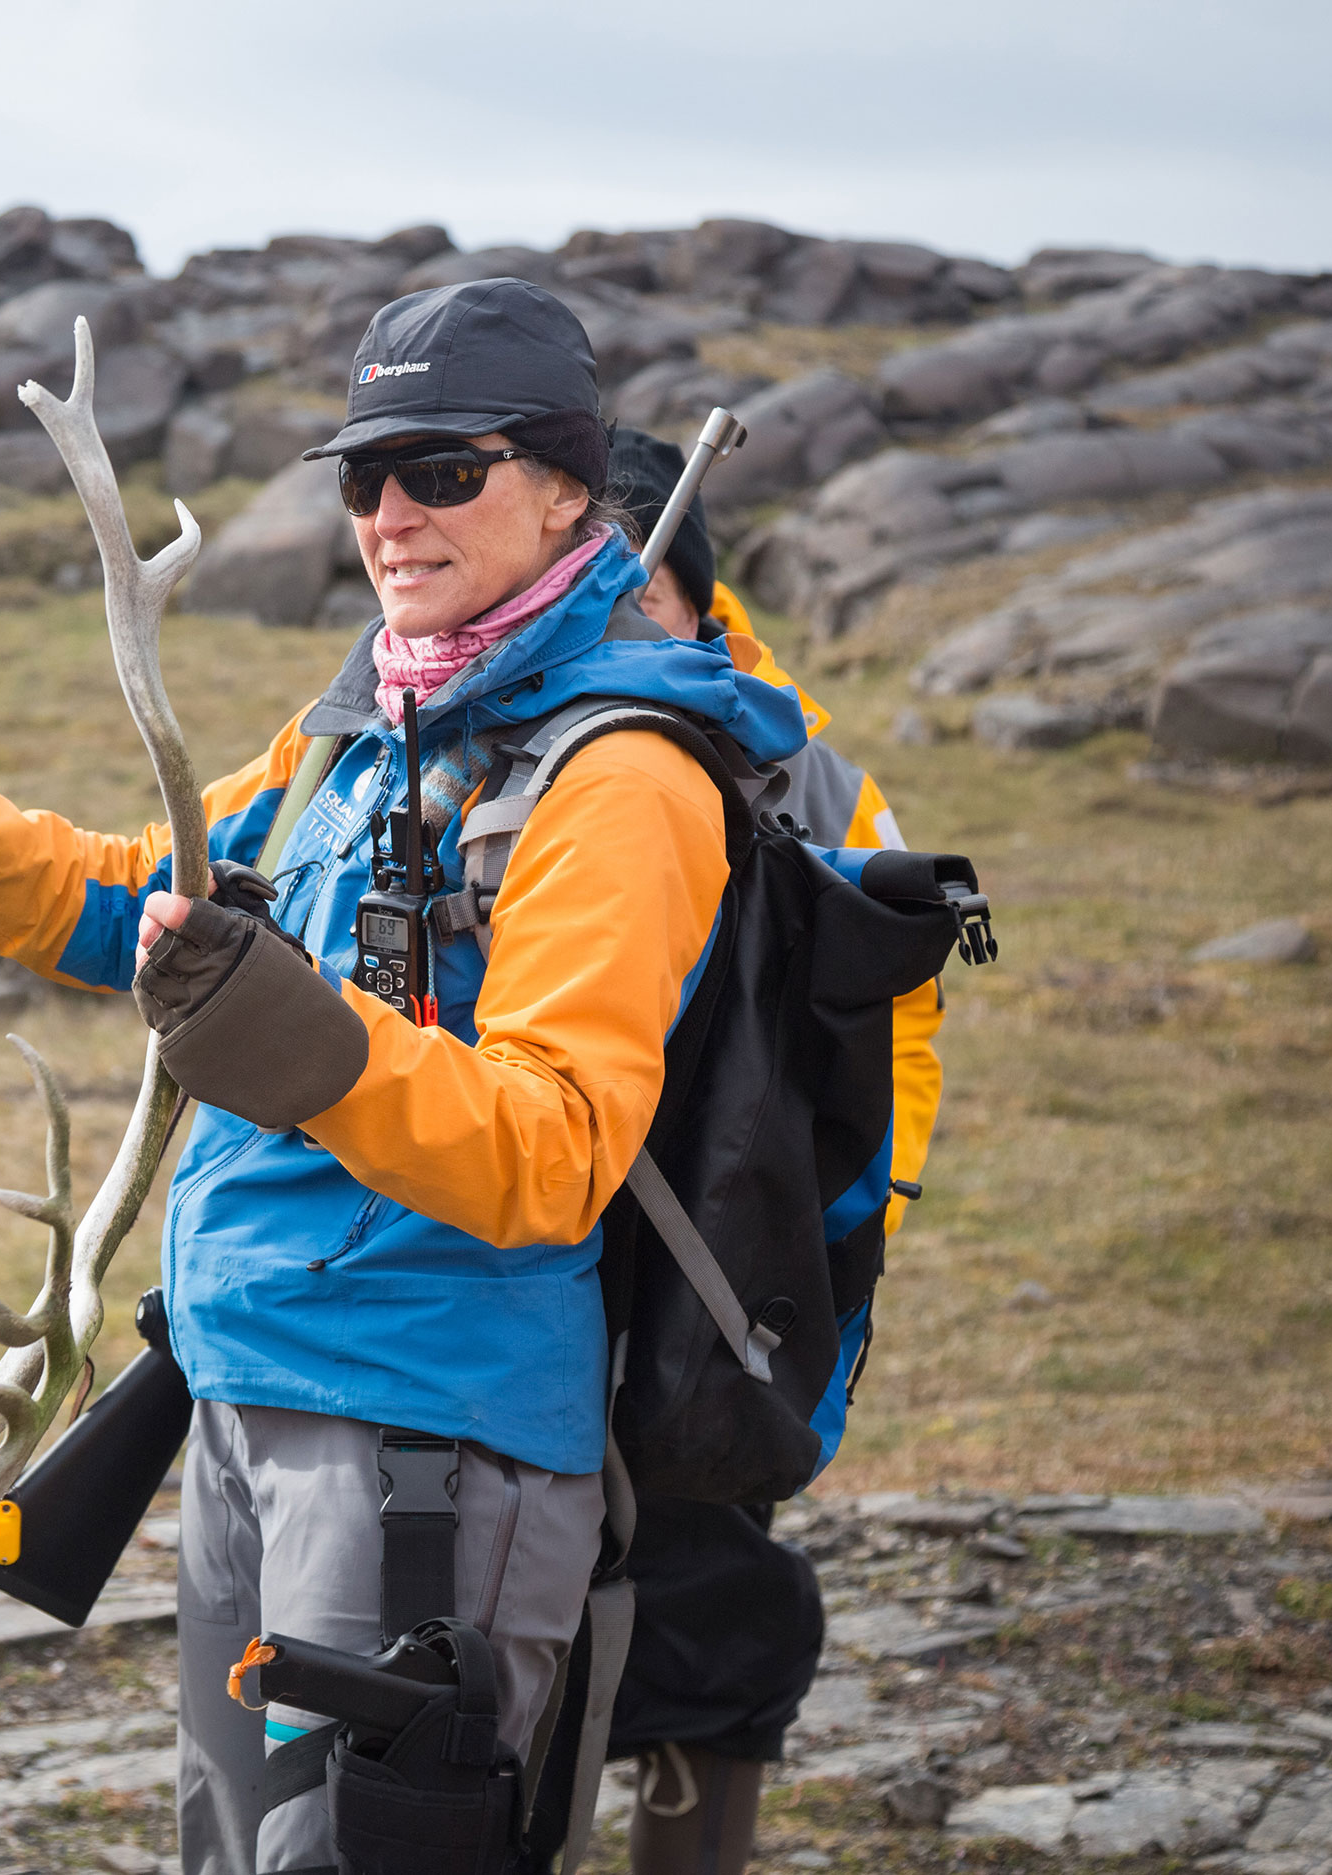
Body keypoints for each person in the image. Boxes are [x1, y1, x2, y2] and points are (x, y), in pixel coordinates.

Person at [0, 281, 810, 1875]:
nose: (392, 512)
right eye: (362, 474)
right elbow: (144, 899)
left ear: (566, 487)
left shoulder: (622, 773)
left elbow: (555, 1152)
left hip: (426, 1438)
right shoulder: (361, 724)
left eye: (443, 470)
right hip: (251, 1391)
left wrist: (304, 1043)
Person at [512, 429, 946, 1875]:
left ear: (700, 598)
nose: (616, 621)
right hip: (529, 1222)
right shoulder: (489, 721)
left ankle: (690, 1828)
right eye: (592, 589)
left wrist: (863, 1207)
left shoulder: (805, 770)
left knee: (703, 1540)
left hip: (723, 1240)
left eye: (643, 593)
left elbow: (900, 1024)